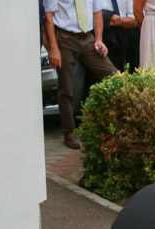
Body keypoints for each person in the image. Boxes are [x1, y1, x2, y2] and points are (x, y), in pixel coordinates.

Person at [43, 0, 118, 149]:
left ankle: (111, 123)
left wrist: (99, 39)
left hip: (87, 38)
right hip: (65, 38)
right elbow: (48, 17)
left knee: (114, 76)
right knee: (66, 88)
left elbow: (97, 13)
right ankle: (69, 133)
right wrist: (53, 48)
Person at [102, 0, 138, 71]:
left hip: (122, 32)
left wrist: (115, 21)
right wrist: (108, 18)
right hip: (103, 34)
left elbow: (133, 21)